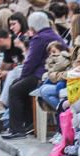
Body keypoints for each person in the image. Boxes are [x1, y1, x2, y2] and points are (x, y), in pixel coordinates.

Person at [4, 10, 64, 139]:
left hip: (41, 75)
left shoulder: (39, 38)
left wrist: (22, 76)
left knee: (15, 89)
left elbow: (31, 61)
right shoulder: (54, 34)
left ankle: (17, 129)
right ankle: (29, 124)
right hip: (51, 74)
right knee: (19, 86)